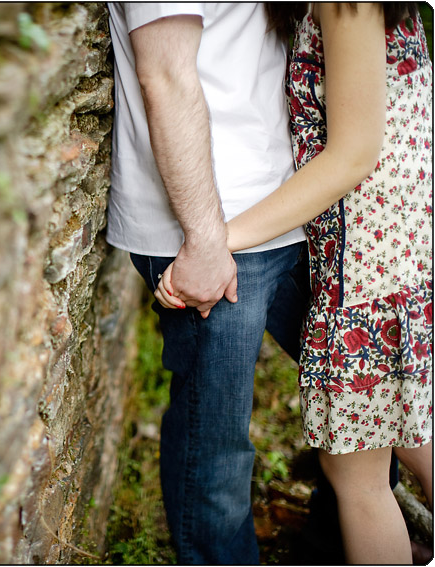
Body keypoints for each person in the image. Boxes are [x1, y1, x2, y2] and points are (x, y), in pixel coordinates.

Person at [156, 3, 433, 563]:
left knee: (359, 476)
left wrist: (217, 240)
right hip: (385, 259)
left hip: (369, 273)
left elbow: (353, 155)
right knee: (410, 437)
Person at [107, 4, 310, 563]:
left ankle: (353, 528)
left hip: (291, 204)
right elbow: (167, 74)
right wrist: (203, 241)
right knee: (216, 451)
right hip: (206, 228)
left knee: (363, 388)